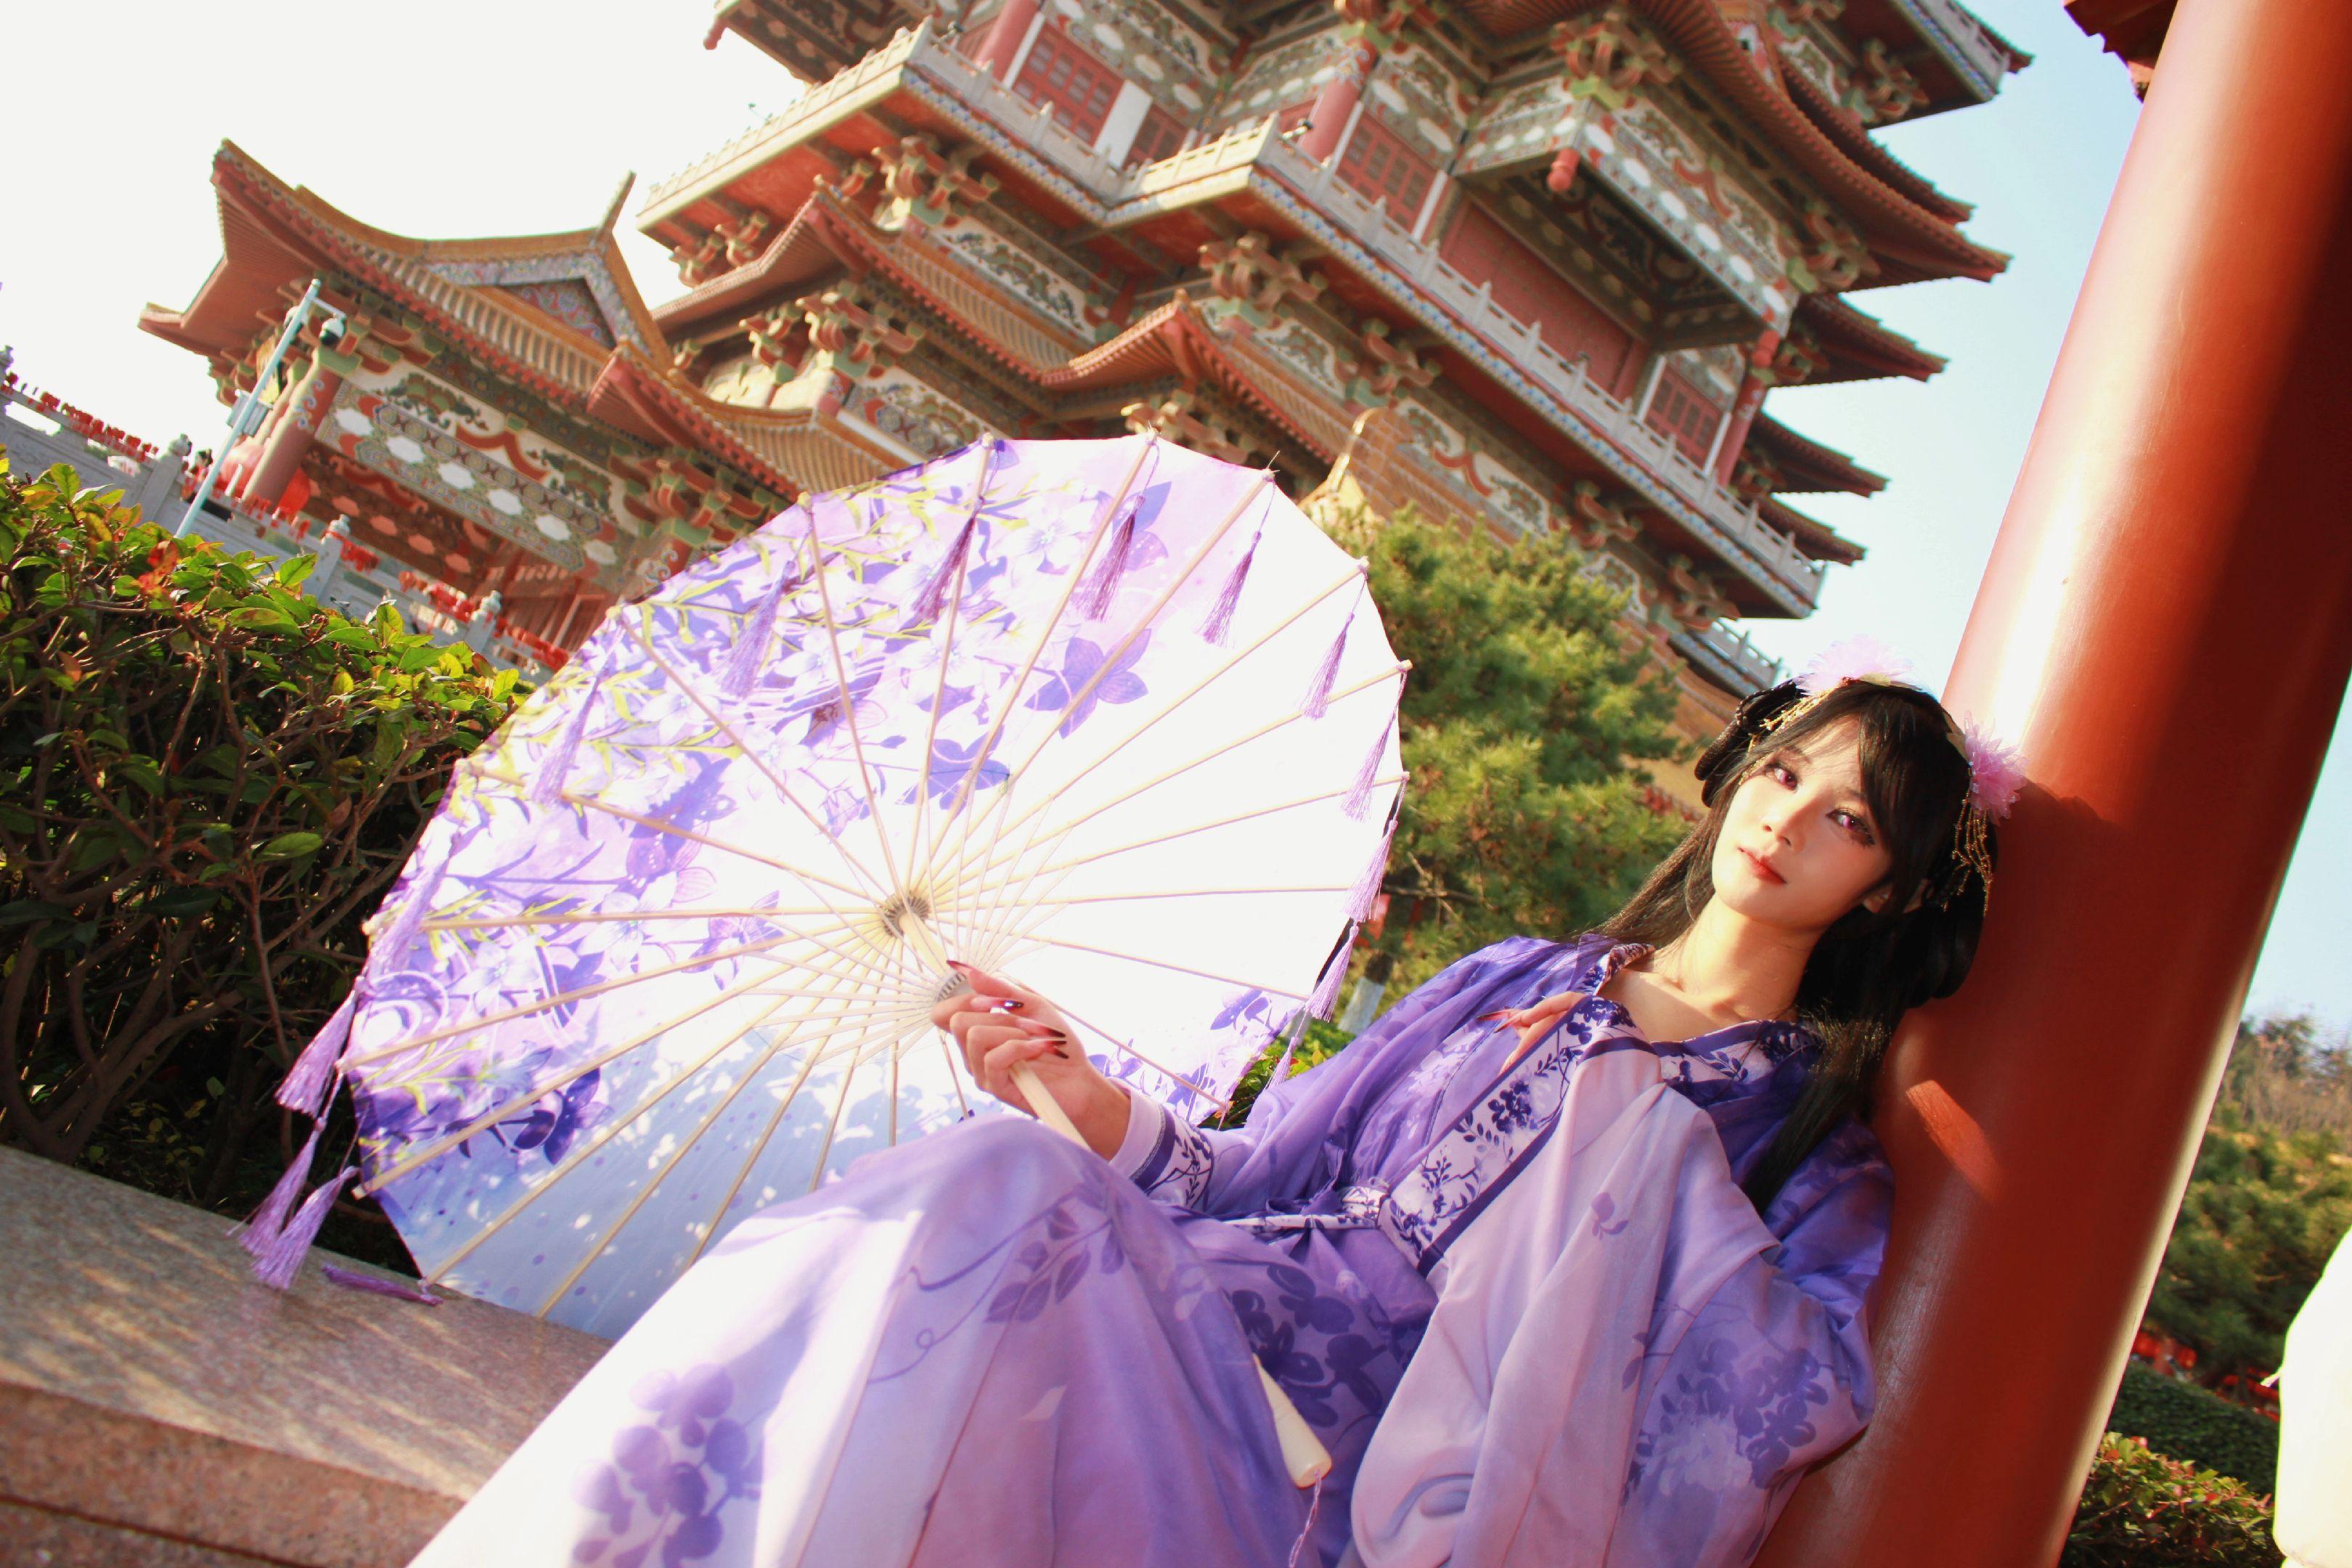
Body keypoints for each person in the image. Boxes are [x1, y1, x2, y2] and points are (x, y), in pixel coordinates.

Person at [410, 650, 2017, 1568]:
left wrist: (1647, 1159)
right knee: (1001, 1178)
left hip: (1363, 1478)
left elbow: (1785, 1401)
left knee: (1003, 1223)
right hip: (1210, 1328)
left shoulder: (1803, 1142)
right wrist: (1077, 1090)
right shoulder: (1516, 979)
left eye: (1851, 819)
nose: (1790, 818)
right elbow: (1256, 1173)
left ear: (1885, 889)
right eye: (1785, 771)